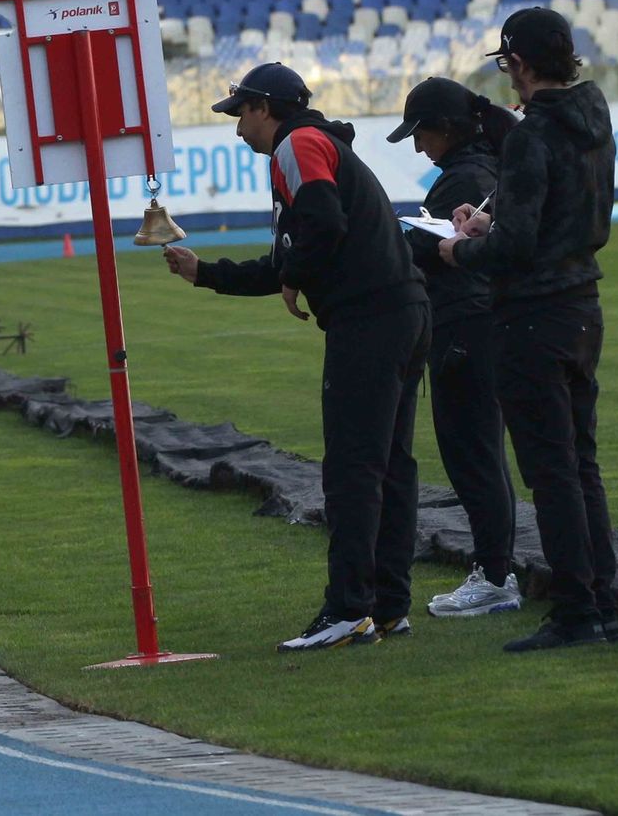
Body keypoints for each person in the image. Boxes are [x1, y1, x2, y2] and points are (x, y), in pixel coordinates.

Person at [162, 62, 430, 652]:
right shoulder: (319, 141)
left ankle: (349, 609)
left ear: (264, 108)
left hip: (370, 318)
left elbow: (320, 227)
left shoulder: (298, 142)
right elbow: (297, 252)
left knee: (354, 468)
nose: (236, 130)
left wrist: (296, 274)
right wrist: (209, 273)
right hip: (403, 309)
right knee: (390, 464)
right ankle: (387, 605)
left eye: (240, 115)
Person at [439, 7, 618, 653]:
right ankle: (601, 602)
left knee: (551, 472)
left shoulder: (529, 136)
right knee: (582, 464)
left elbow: (514, 248)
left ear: (517, 63)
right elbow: (556, 221)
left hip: (532, 314)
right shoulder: (593, 121)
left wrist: (463, 250)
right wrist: (496, 228)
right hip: (581, 304)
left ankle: (575, 611)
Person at [387, 78, 522, 619]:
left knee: (472, 454)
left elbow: (424, 247)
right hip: (478, 321)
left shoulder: (466, 176)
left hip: (464, 324)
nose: (419, 147)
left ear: (446, 128)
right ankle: (496, 571)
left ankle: (495, 576)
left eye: (422, 134)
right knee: (480, 452)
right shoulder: (480, 168)